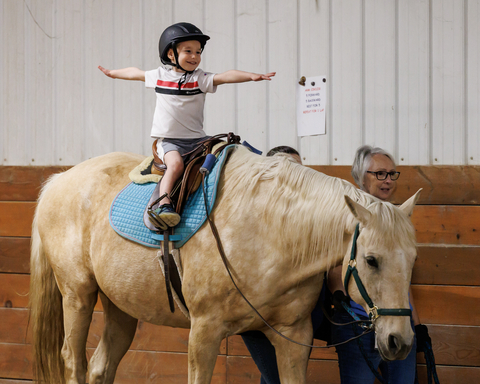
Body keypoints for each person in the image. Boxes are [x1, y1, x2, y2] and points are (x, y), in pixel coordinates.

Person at [99, 22, 275, 228]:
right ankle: (162, 204)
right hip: (170, 141)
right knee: (175, 165)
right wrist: (113, 73)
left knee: (229, 151)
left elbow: (225, 76)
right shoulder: (159, 76)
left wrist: (251, 76)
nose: (194, 56)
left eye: (198, 52)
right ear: (171, 55)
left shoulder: (199, 78)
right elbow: (135, 73)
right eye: (188, 51)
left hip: (198, 140)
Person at [327, 144, 431, 384]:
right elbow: (332, 265)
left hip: (397, 319)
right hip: (358, 323)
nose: (388, 180)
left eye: (392, 174)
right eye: (380, 174)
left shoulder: (395, 218)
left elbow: (400, 278)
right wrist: (342, 302)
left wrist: (416, 324)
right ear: (360, 177)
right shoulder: (344, 216)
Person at [241, 146, 328, 384]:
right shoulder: (252, 217)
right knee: (277, 378)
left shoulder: (310, 215)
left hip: (299, 316)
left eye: (300, 170)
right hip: (259, 318)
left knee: (277, 377)